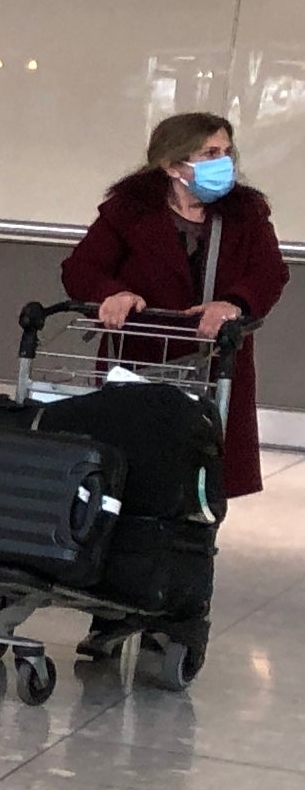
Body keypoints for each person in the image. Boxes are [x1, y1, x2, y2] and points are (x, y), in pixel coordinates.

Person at [64, 111, 285, 500]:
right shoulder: (128, 210)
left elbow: (269, 272)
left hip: (217, 363)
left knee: (204, 480)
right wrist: (111, 294)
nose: (224, 162)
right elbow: (82, 268)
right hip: (141, 360)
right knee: (132, 473)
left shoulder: (247, 212)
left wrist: (234, 303)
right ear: (171, 164)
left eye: (227, 152)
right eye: (209, 152)